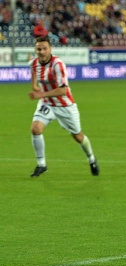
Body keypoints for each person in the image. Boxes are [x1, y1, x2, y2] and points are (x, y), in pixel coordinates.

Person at [28, 36, 99, 177]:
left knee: (78, 136)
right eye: (38, 49)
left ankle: (91, 158)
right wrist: (35, 87)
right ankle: (42, 165)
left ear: (50, 49)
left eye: (44, 49)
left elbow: (63, 90)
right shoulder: (35, 63)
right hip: (47, 103)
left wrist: (41, 94)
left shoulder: (57, 64)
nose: (41, 52)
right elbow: (34, 75)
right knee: (35, 129)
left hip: (64, 105)